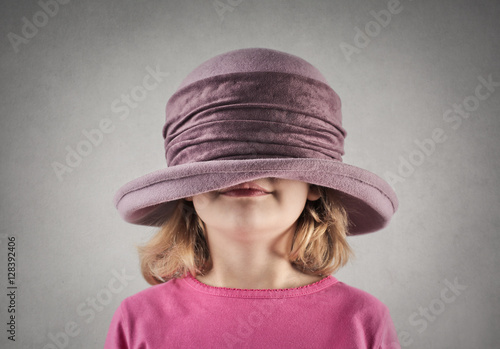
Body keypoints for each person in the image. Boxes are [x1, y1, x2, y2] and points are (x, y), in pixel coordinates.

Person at [105, 48, 401, 348]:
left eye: (276, 162)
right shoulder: (139, 320)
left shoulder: (362, 320)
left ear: (316, 185)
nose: (247, 178)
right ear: (187, 191)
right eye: (221, 170)